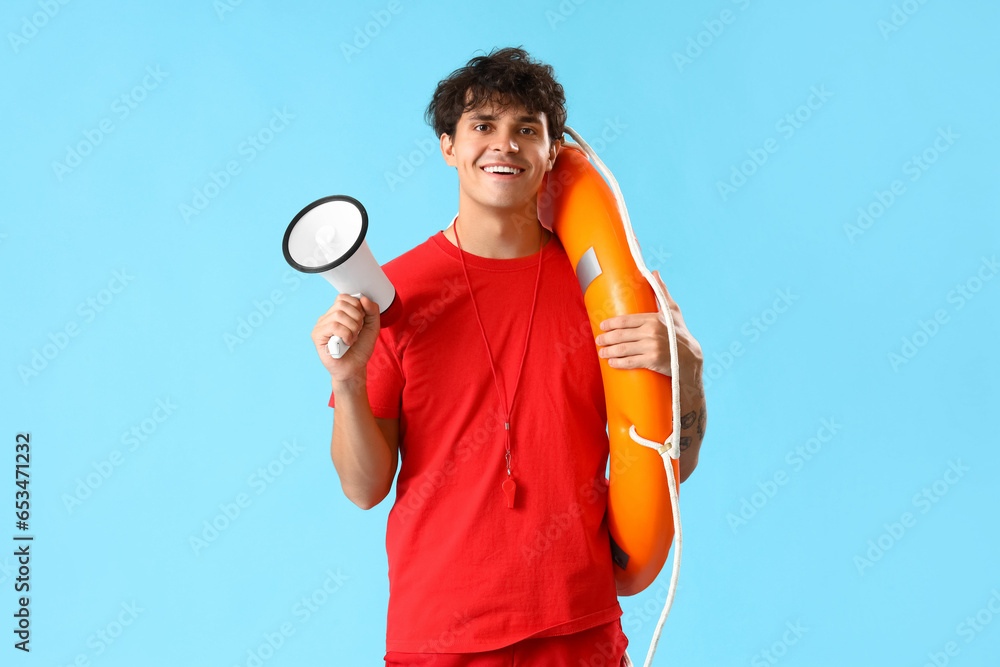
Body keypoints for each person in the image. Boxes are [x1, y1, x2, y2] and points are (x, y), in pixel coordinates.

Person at [312, 46, 706, 667]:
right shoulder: (392, 296)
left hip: (579, 629)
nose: (505, 145)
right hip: (439, 637)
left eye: (527, 129)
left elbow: (670, 466)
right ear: (448, 145)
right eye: (483, 126)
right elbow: (363, 488)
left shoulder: (614, 294)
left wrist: (686, 371)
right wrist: (348, 378)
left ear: (554, 151)